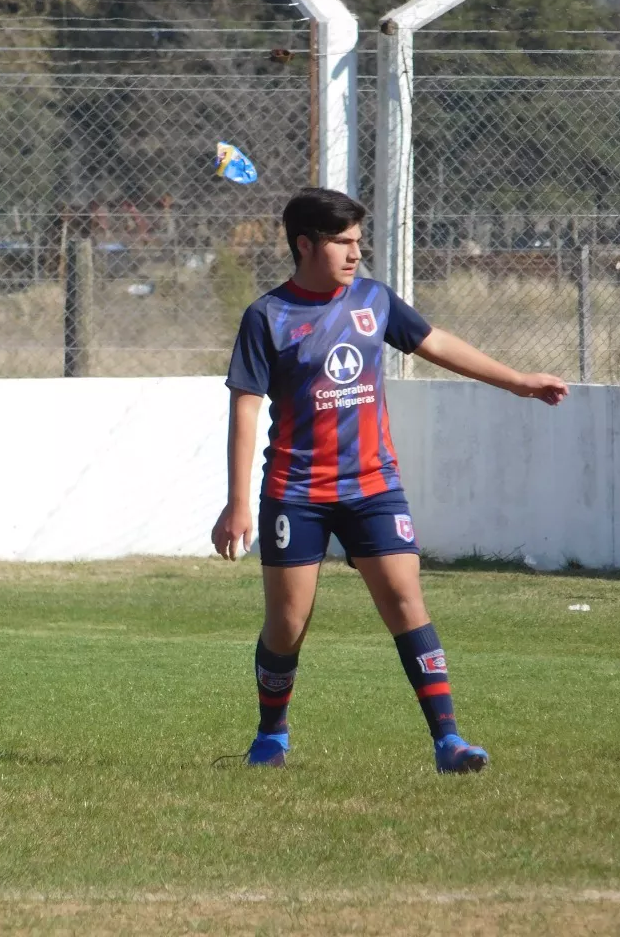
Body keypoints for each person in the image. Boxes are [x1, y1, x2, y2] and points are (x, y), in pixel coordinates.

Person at [211, 187, 568, 771]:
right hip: (297, 493)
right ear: (305, 245)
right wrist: (237, 503)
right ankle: (272, 734)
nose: (356, 253)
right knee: (287, 623)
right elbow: (245, 408)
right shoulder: (267, 316)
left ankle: (449, 741)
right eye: (342, 242)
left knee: (405, 599)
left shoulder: (373, 299)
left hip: (373, 485)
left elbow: (436, 342)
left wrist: (517, 381)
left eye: (359, 241)